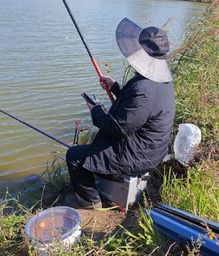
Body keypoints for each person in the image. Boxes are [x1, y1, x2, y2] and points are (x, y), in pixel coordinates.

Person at [65, 17, 175, 209]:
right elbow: (138, 105)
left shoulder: (143, 87)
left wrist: (96, 110)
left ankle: (90, 202)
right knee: (93, 146)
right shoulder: (158, 81)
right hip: (152, 149)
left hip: (140, 157)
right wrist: (115, 86)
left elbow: (117, 128)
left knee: (74, 156)